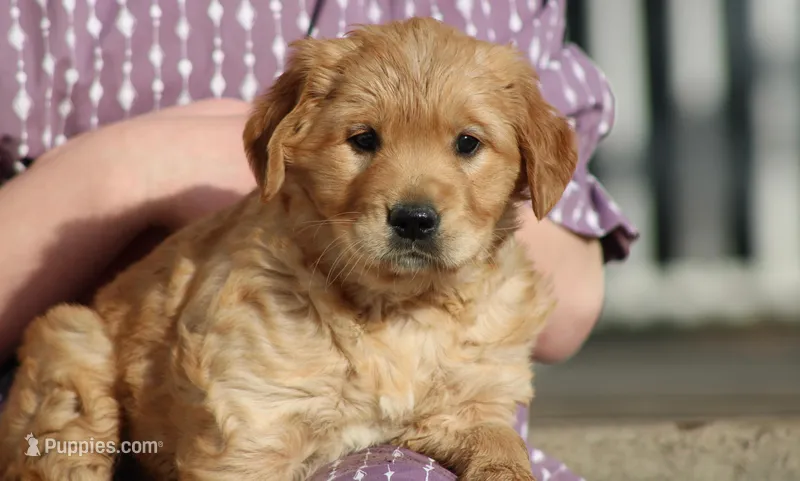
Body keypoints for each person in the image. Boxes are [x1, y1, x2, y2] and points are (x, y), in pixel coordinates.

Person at [0, 0, 637, 479]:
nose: (415, 203)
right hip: (124, 428)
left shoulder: (496, 310)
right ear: (286, 149)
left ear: (531, 164)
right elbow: (236, 458)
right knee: (70, 368)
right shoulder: (266, 311)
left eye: (467, 144)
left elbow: (481, 408)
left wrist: (495, 455)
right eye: (363, 141)